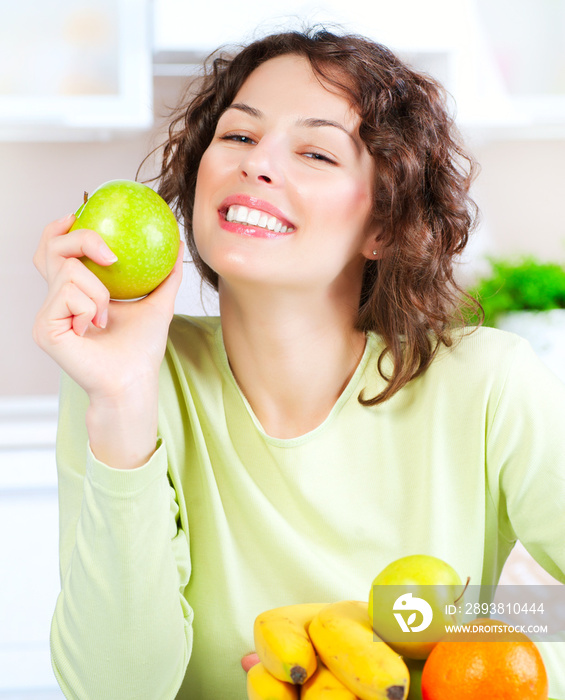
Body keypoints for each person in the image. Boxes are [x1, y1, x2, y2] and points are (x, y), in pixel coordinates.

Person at [33, 27, 565, 700]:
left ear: (383, 225)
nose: (256, 164)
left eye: (315, 151)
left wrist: (466, 640)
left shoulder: (488, 384)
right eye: (237, 136)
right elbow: (115, 688)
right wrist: (120, 401)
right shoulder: (128, 378)